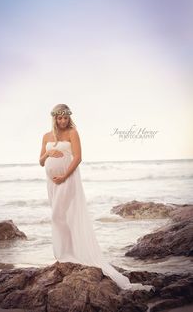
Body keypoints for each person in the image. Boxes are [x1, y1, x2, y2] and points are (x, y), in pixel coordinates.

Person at [39, 103, 154, 291]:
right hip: (52, 182)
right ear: (54, 118)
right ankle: (65, 253)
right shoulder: (46, 136)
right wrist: (48, 153)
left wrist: (64, 176)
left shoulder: (72, 133)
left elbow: (78, 157)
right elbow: (41, 162)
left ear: (69, 117)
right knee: (59, 216)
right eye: (59, 118)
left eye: (65, 117)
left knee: (60, 215)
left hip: (68, 179)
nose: (62, 121)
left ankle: (70, 252)